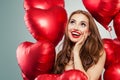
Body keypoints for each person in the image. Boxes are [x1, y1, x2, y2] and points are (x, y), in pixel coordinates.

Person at [53, 10, 106, 80]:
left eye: (83, 24)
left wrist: (76, 52)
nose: (76, 28)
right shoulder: (60, 56)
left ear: (89, 32)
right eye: (72, 22)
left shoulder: (98, 53)